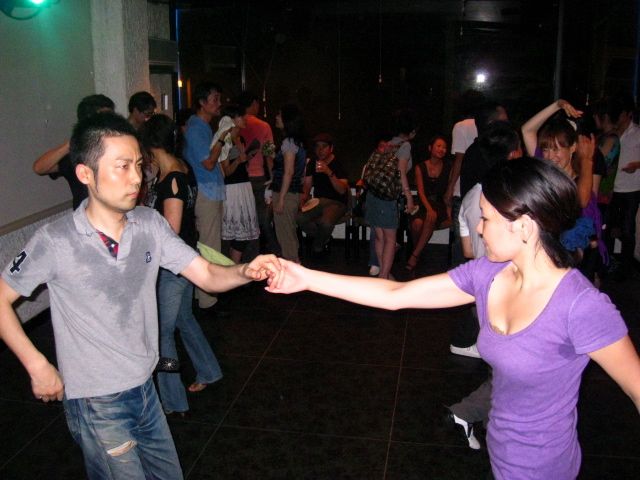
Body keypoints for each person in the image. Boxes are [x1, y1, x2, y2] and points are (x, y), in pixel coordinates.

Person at [267, 157, 640, 480]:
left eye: (486, 218)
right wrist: (306, 279)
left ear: (524, 226)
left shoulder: (580, 306)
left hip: (545, 467)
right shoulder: (487, 273)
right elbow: (395, 296)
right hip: (500, 451)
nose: (478, 228)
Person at [0, 112, 282, 479]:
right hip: (98, 402)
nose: (136, 178)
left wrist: (245, 271)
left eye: (137, 165)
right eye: (122, 167)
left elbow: (207, 274)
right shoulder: (56, 241)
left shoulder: (149, 224)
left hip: (146, 389)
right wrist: (37, 365)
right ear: (85, 174)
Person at [139, 113, 223, 416]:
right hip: (185, 259)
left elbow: (171, 230)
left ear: (150, 144)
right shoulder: (181, 168)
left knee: (163, 332)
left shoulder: (173, 178)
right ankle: (209, 370)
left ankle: (172, 401)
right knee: (184, 320)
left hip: (173, 266)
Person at [183, 82, 227, 310]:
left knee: (209, 243)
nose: (219, 104)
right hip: (205, 191)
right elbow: (208, 163)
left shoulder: (203, 126)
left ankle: (205, 296)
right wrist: (222, 138)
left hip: (211, 190)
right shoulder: (197, 128)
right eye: (215, 99)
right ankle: (209, 300)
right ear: (202, 102)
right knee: (210, 245)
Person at [32, 94, 115, 209]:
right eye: (105, 118)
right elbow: (39, 168)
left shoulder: (117, 148)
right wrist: (73, 142)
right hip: (86, 217)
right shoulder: (77, 154)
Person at [364, 109, 416, 279]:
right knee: (390, 239)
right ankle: (384, 277)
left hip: (373, 194)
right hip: (387, 198)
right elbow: (401, 173)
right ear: (411, 131)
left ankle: (384, 274)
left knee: (380, 237)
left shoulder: (385, 144)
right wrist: (409, 197)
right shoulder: (405, 146)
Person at [236, 91, 280, 257]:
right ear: (254, 103)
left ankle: (248, 255)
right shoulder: (263, 126)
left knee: (245, 219)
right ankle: (274, 251)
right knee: (261, 218)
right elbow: (269, 154)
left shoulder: (235, 124)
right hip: (258, 177)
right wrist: (272, 177)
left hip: (239, 178)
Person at [217, 104, 260, 263]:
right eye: (241, 116)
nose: (244, 119)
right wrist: (239, 161)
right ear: (232, 119)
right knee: (234, 233)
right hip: (232, 190)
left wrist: (246, 159)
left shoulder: (240, 139)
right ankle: (230, 266)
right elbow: (226, 172)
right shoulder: (224, 139)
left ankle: (233, 265)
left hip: (243, 187)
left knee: (243, 232)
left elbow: (240, 166)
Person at [297, 133, 349, 256]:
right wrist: (302, 200)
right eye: (317, 146)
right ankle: (324, 238)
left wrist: (328, 172)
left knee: (325, 222)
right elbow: (307, 186)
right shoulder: (312, 162)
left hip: (337, 202)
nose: (320, 150)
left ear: (331, 148)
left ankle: (318, 247)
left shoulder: (338, 163)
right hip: (318, 201)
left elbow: (342, 190)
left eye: (324, 146)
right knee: (298, 218)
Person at [406, 135, 451, 271]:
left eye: (444, 147)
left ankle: (414, 256)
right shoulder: (420, 167)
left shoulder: (448, 167)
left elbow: (449, 193)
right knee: (417, 223)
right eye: (438, 146)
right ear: (430, 148)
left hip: (439, 204)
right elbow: (421, 192)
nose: (442, 149)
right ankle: (419, 251)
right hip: (423, 202)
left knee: (431, 217)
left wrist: (448, 209)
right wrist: (429, 208)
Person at [272, 104, 307, 263]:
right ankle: (295, 267)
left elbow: (289, 171)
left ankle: (294, 269)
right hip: (293, 192)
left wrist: (281, 198)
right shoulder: (299, 142)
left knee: (285, 235)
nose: (276, 117)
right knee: (289, 233)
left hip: (285, 193)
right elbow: (301, 173)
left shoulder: (289, 142)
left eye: (279, 115)